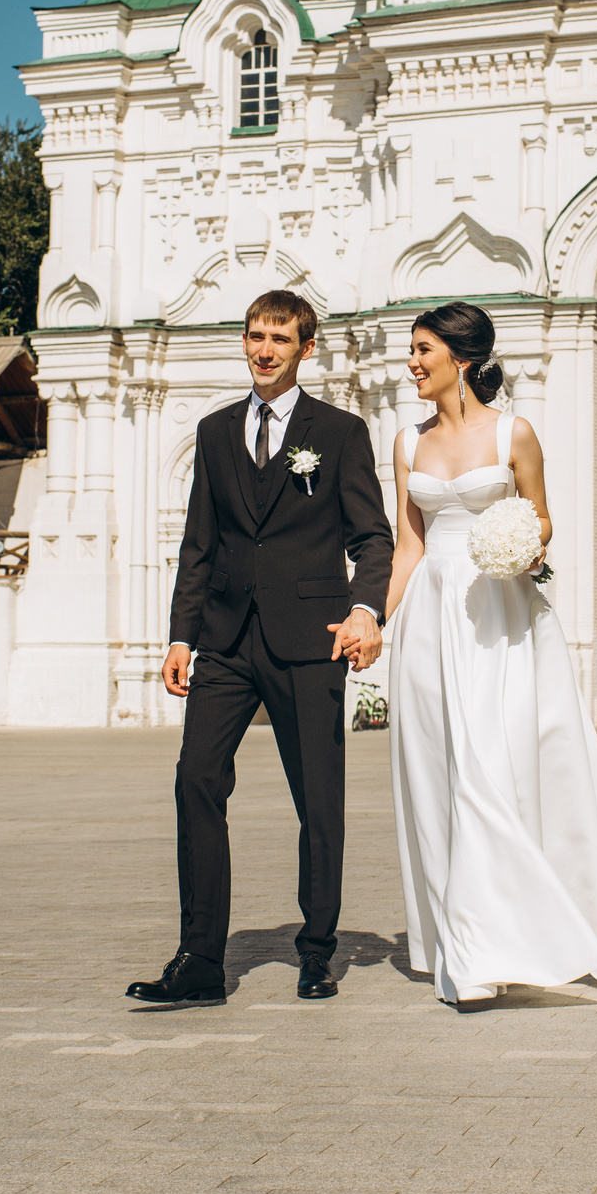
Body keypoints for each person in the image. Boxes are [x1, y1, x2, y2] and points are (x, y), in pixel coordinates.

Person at [385, 301, 597, 1008]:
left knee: (495, 769)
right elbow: (409, 545)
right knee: (436, 776)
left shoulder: (514, 433)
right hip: (432, 617)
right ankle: (464, 945)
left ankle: (497, 943)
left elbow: (541, 514)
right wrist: (372, 619)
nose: (412, 362)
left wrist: (524, 539)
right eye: (411, 349)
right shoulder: (405, 443)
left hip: (501, 614)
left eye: (423, 349)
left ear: (461, 357)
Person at [129, 290, 394, 1009]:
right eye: (254, 335)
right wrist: (182, 633)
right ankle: (201, 958)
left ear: (307, 347)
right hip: (223, 640)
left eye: (279, 337)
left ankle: (317, 952)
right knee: (195, 781)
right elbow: (199, 542)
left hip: (310, 638)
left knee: (318, 799)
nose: (263, 349)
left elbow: (372, 537)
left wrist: (366, 609)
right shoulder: (215, 432)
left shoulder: (338, 432)